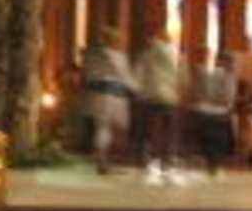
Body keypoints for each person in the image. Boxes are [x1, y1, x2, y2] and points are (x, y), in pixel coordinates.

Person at [79, 28, 134, 176]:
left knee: (102, 126)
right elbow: (125, 77)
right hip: (114, 95)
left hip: (97, 94)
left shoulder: (91, 55)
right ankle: (108, 160)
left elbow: (86, 74)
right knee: (117, 127)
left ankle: (102, 158)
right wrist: (136, 89)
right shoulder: (118, 57)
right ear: (113, 40)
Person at [133, 30, 187, 182]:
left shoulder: (146, 54)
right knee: (170, 131)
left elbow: (138, 75)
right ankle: (167, 160)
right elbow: (182, 76)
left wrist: (139, 92)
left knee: (149, 129)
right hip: (170, 97)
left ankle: (148, 157)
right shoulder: (176, 55)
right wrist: (181, 91)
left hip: (150, 96)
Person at [192, 51, 238, 178]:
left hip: (204, 111)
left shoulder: (206, 73)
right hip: (220, 113)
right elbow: (228, 96)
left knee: (209, 140)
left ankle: (210, 164)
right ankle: (214, 165)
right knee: (219, 141)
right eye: (232, 62)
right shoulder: (227, 75)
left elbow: (198, 92)